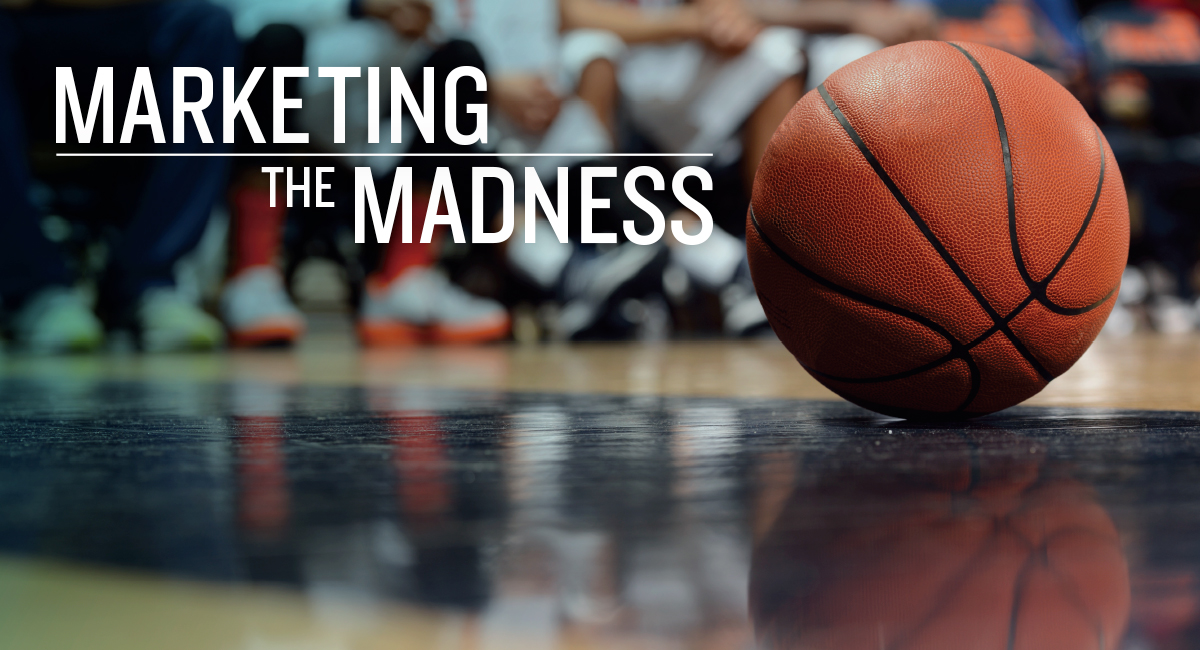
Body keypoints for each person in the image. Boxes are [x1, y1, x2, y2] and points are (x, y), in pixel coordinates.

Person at [213, 0, 511, 346]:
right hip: (299, 136)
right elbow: (243, 17)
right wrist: (358, 7)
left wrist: (422, 22)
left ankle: (404, 279)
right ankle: (252, 276)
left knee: (461, 60)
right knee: (274, 44)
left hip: (384, 143)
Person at [0, 0, 237, 353]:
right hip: (28, 36)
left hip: (133, 30)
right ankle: (31, 286)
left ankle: (151, 280)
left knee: (208, 24)